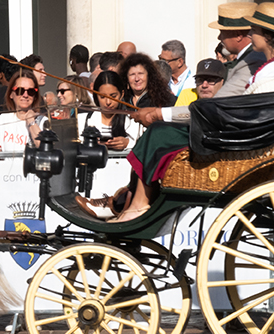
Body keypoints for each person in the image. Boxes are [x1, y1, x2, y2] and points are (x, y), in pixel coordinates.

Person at [78, 58, 230, 223]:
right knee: (156, 136)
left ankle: (133, 204)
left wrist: (157, 114)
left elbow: (197, 114)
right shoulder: (193, 99)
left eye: (212, 81)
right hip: (195, 147)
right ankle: (120, 203)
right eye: (200, 80)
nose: (205, 85)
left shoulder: (224, 103)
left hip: (207, 151)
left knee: (158, 133)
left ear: (224, 82)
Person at [208, 2, 265, 97]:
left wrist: (174, 112)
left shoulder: (251, 61)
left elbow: (222, 100)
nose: (219, 37)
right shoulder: (247, 58)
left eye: (222, 32)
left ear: (238, 35)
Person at [77, 70, 140, 152]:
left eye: (113, 96)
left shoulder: (133, 121)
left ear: (122, 94)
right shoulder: (81, 121)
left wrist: (128, 143)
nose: (108, 102)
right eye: (102, 97)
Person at [0, 71, 44, 153]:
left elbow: (44, 148)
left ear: (35, 96)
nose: (25, 95)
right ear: (11, 94)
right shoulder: (3, 119)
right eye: (20, 90)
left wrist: (31, 122)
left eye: (31, 91)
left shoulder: (42, 121)